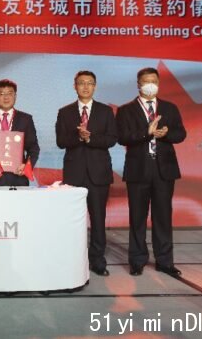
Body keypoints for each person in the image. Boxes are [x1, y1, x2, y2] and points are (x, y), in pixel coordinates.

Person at [116, 67, 186, 277]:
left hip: (164, 170)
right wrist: (145, 134)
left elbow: (181, 133)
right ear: (138, 84)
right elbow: (122, 137)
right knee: (137, 217)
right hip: (138, 170)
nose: (150, 84)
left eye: (153, 81)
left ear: (158, 83)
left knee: (163, 216)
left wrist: (166, 133)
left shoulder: (170, 108)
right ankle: (137, 260)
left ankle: (165, 261)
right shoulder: (125, 110)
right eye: (146, 81)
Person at [55, 71, 117, 276]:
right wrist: (79, 137)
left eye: (90, 83)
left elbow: (111, 139)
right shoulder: (65, 112)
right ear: (75, 86)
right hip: (74, 174)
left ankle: (97, 260)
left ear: (95, 86)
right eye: (81, 83)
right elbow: (61, 141)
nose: (85, 87)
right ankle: (73, 259)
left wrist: (91, 139)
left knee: (98, 218)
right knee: (73, 220)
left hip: (99, 173)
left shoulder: (105, 111)